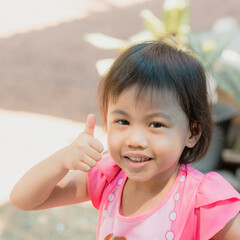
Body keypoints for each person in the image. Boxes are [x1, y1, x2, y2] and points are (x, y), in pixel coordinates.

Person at [10, 41, 240, 240]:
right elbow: (24, 199)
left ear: (192, 133)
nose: (136, 139)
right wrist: (61, 160)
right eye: (123, 121)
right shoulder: (108, 178)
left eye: (156, 124)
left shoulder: (202, 199)